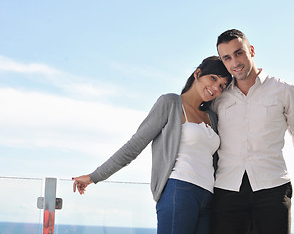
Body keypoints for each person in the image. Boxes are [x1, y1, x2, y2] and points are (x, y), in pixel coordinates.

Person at [72, 56, 232, 234]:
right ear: (198, 73)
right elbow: (134, 145)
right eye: (213, 78)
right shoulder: (170, 103)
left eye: (222, 86)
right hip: (179, 190)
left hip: (207, 196)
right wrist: (95, 176)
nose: (215, 88)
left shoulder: (212, 116)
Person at [210, 29, 294, 234]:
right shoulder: (219, 97)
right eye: (227, 58)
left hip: (273, 189)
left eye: (239, 53)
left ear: (251, 50)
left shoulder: (285, 91)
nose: (235, 62)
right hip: (227, 189)